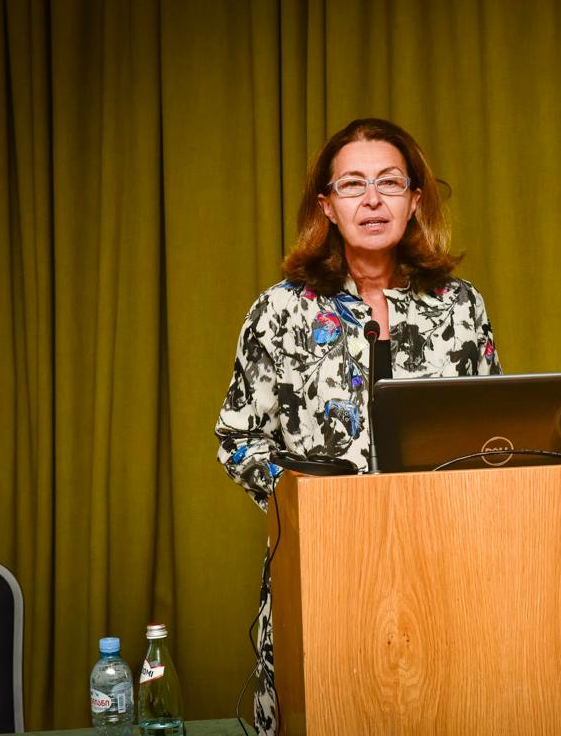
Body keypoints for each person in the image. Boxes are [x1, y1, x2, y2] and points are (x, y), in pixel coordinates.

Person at [214, 118, 501, 736]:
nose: (372, 200)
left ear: (415, 199)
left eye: (389, 183)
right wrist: (303, 502)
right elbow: (237, 439)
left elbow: (493, 435)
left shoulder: (460, 306)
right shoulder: (280, 311)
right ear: (327, 205)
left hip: (444, 568)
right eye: (352, 185)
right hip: (323, 570)